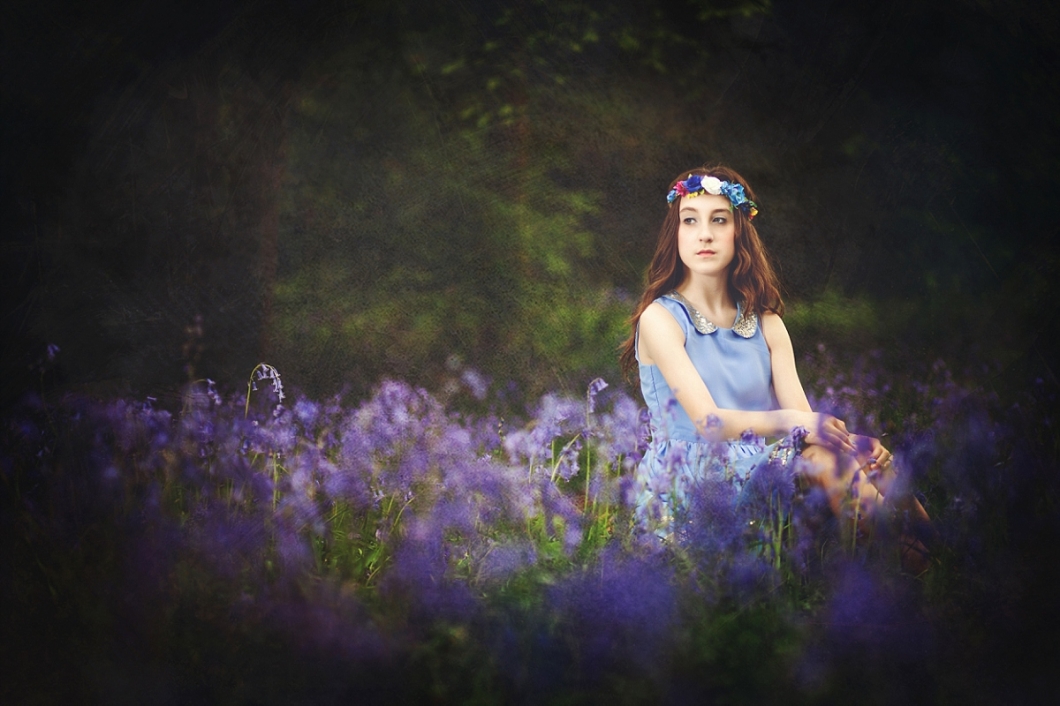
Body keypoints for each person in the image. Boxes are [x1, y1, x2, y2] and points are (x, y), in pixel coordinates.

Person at [619, 165, 929, 567]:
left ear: (739, 232)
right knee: (822, 456)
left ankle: (936, 564)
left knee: (861, 458)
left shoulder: (767, 324)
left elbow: (806, 423)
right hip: (689, 489)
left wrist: (855, 445)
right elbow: (708, 423)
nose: (704, 234)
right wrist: (799, 425)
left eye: (719, 220)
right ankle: (912, 568)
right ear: (675, 233)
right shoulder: (660, 318)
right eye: (690, 221)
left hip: (754, 474)